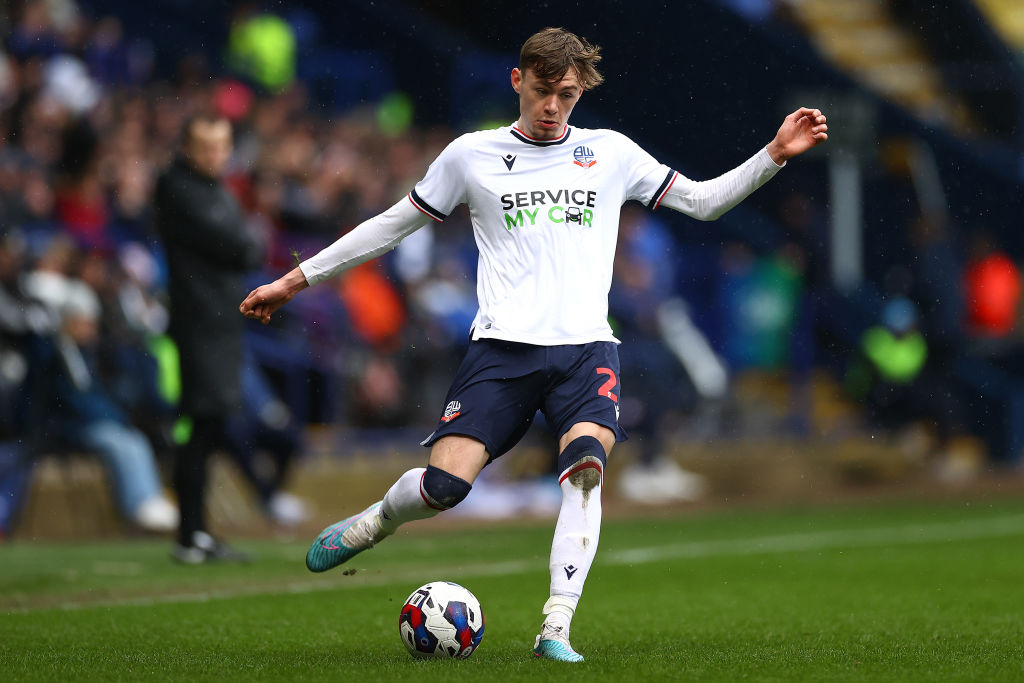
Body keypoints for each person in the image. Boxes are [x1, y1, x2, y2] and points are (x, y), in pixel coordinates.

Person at [240, 27, 827, 661]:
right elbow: (390, 226)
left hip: (585, 352)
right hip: (502, 352)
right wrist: (295, 280)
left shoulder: (611, 153)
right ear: (518, 82)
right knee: (444, 489)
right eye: (543, 91)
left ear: (581, 92)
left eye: (567, 96)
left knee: (584, 470)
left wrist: (774, 153)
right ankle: (376, 521)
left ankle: (556, 628)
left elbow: (705, 203)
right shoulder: (471, 155)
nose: (552, 108)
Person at [156, 114, 263, 563]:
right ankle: (190, 534)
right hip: (197, 324)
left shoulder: (214, 189)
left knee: (211, 426)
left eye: (221, 146)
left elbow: (247, 245)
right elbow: (239, 244)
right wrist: (243, 242)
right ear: (186, 147)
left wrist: (244, 243)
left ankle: (197, 532)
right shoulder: (177, 187)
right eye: (206, 146)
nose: (215, 155)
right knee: (199, 426)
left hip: (220, 325)